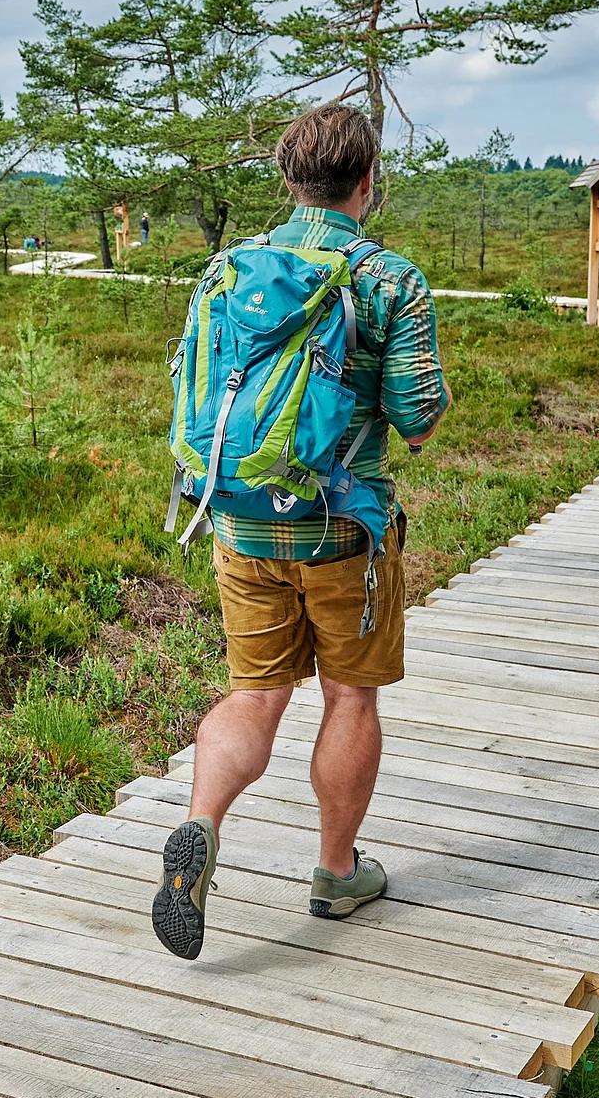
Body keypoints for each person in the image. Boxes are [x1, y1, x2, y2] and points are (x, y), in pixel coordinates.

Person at [153, 103, 451, 959]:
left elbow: (196, 384)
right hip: (342, 534)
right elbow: (419, 421)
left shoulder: (227, 270)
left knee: (256, 695)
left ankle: (201, 825)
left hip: (241, 523)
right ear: (368, 182)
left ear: (288, 181)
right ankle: (336, 871)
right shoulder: (390, 279)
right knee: (349, 696)